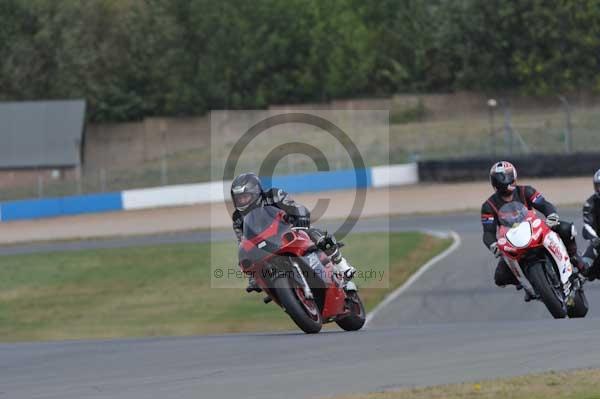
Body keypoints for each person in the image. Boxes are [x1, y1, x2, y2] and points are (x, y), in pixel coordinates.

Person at [230, 172, 356, 292]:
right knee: (260, 272)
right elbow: (242, 242)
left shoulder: (273, 195)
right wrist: (252, 274)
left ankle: (342, 266)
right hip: (265, 247)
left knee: (316, 235)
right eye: (239, 199)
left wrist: (301, 217)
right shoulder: (237, 217)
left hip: (288, 231)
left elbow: (295, 206)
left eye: (245, 197)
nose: (242, 201)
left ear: (256, 192)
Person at [480, 161, 587, 295]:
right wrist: (493, 245)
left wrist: (551, 215)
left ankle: (574, 256)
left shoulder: (526, 190)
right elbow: (488, 232)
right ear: (494, 182)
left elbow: (544, 204)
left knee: (566, 229)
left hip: (535, 228)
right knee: (500, 277)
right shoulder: (488, 206)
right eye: (501, 179)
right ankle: (526, 282)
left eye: (507, 177)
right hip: (511, 240)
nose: (505, 181)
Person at [581, 169, 600, 280]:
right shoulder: (590, 203)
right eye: (599, 186)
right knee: (583, 268)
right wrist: (594, 239)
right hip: (598, 243)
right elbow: (587, 225)